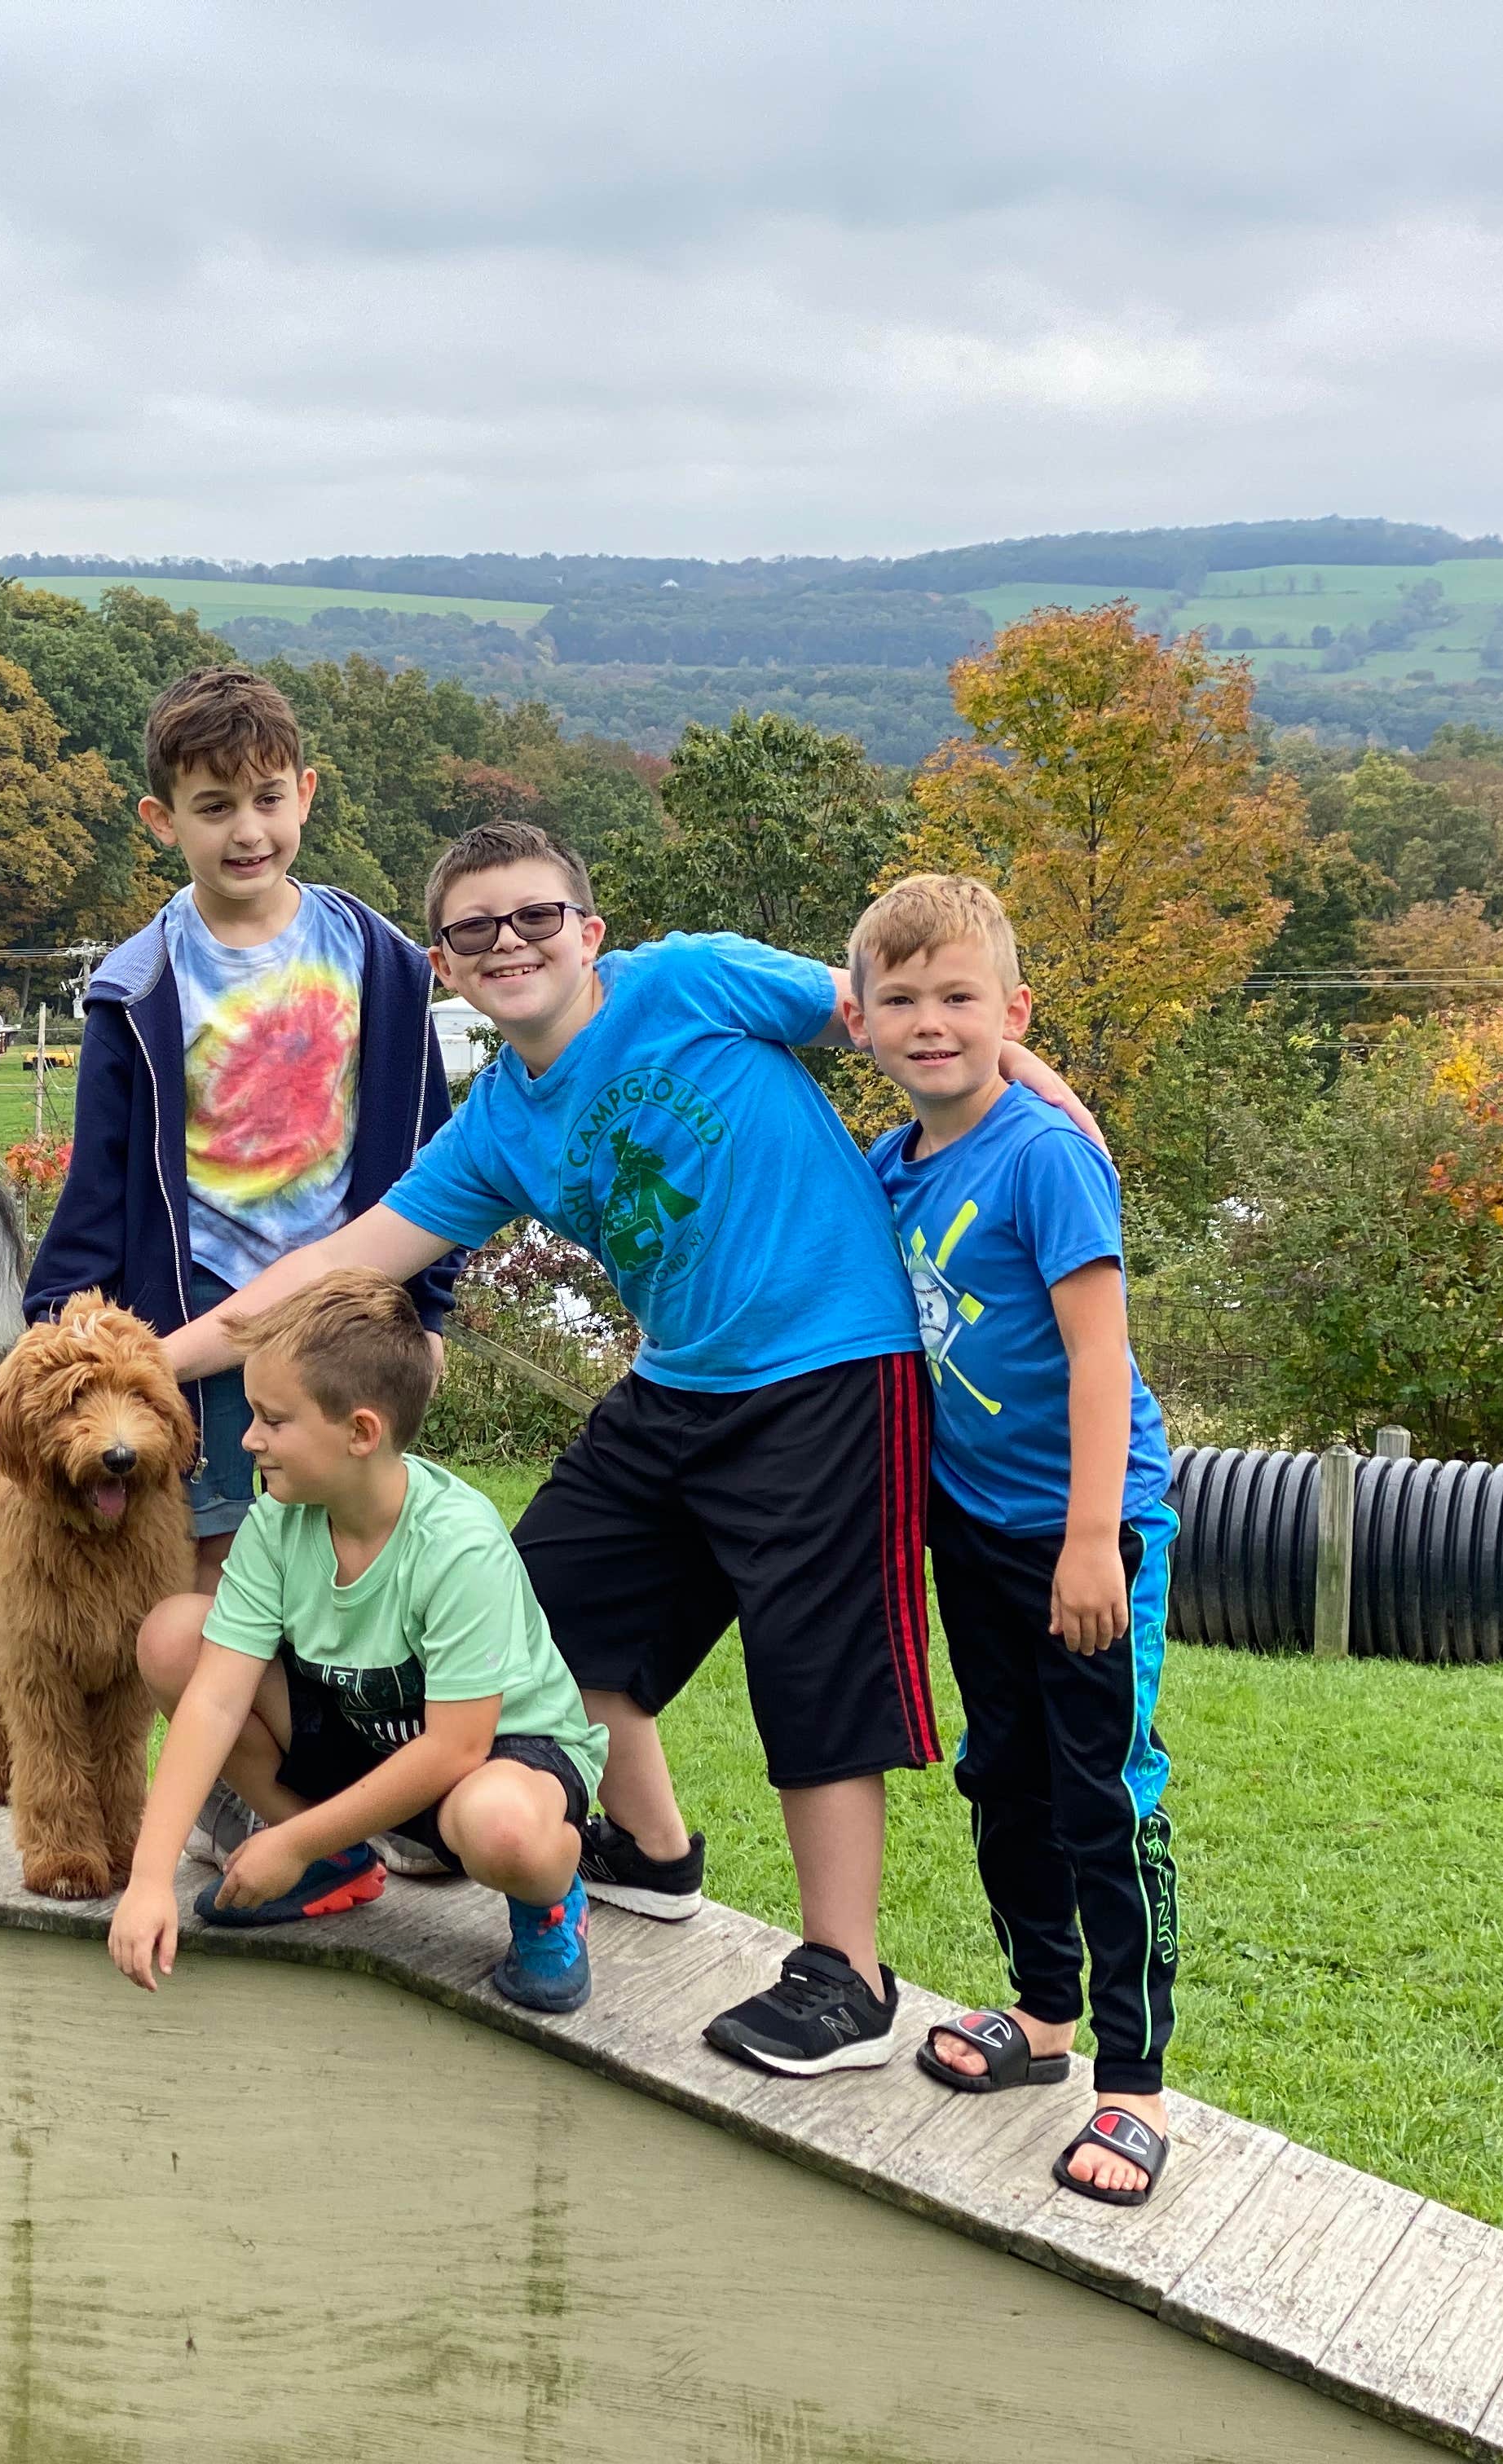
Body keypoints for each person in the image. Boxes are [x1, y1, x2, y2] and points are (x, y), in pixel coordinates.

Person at [161, 818, 1105, 2079]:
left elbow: (887, 1009)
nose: (511, 942)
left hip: (833, 1371)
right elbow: (337, 1265)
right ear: (447, 969)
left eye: (537, 916)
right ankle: (651, 1854)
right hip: (674, 1389)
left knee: (812, 1670)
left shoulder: (689, 979)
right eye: (475, 929)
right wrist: (144, 1366)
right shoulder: (498, 1125)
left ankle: (848, 1976)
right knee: (538, 1603)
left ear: (590, 932)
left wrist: (1045, 1089)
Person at [841, 874, 1180, 2207]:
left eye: (959, 997)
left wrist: (1092, 1538)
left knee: (1102, 1797)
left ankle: (1134, 2082)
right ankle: (1041, 2017)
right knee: (1003, 1775)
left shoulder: (1041, 1153)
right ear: (861, 1022)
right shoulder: (890, 1166)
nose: (931, 1022)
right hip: (973, 1533)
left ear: (1012, 1012)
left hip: (1087, 1530)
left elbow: (1100, 1356)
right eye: (901, 999)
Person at [25, 667, 459, 1591]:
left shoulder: (380, 961)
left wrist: (429, 1313)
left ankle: (349, 1745)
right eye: (214, 807)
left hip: (350, 1318)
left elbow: (438, 1157)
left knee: (363, 1574)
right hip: (204, 1321)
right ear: (162, 820)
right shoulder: (136, 989)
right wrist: (60, 1317)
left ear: (305, 793)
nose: (247, 831)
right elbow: (99, 1179)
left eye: (267, 798)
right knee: (217, 1579)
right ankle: (241, 1740)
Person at [108, 1272, 608, 2014]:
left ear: (361, 1432)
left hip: (493, 1757)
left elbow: (454, 1750)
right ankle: (340, 1864)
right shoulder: (281, 1522)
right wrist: (150, 1879)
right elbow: (215, 1699)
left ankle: (551, 1902)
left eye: (272, 1420)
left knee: (504, 1831)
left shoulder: (455, 1543)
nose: (249, 1440)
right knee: (175, 1638)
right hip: (362, 1731)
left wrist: (292, 1842)